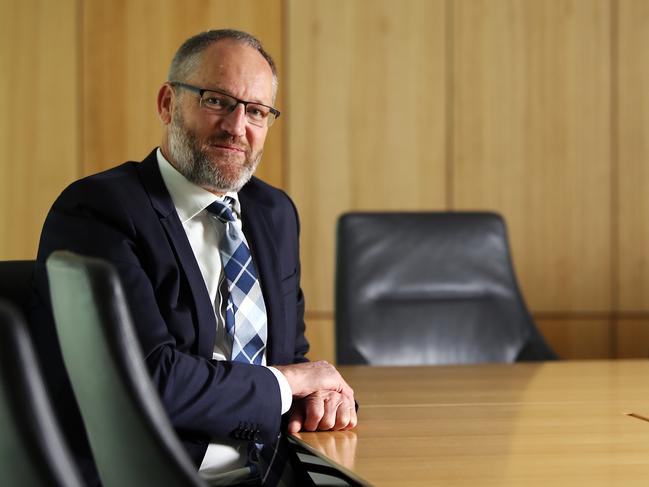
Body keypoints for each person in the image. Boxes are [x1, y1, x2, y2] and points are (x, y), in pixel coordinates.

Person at [29, 29, 356, 486]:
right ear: (167, 103)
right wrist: (288, 384)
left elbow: (290, 358)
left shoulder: (274, 212)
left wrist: (321, 395)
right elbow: (143, 380)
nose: (237, 126)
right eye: (217, 101)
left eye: (257, 111)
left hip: (276, 473)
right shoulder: (99, 210)